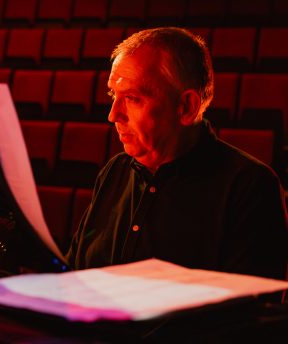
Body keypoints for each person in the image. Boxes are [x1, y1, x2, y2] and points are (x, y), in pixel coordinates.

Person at [66, 27, 287, 280]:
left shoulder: (249, 187)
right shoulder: (114, 171)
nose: (113, 114)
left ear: (186, 107)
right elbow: (75, 272)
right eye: (113, 95)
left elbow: (249, 313)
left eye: (133, 98)